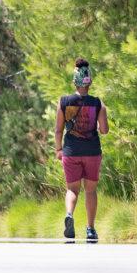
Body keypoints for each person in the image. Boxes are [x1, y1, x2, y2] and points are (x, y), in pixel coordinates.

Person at [54, 58, 108, 242]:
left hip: (71, 151)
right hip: (92, 151)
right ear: (89, 81)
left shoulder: (64, 102)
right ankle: (90, 229)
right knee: (90, 191)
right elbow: (104, 130)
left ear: (74, 81)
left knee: (72, 189)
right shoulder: (97, 103)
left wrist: (58, 149)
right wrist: (103, 111)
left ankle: (69, 215)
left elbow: (58, 129)